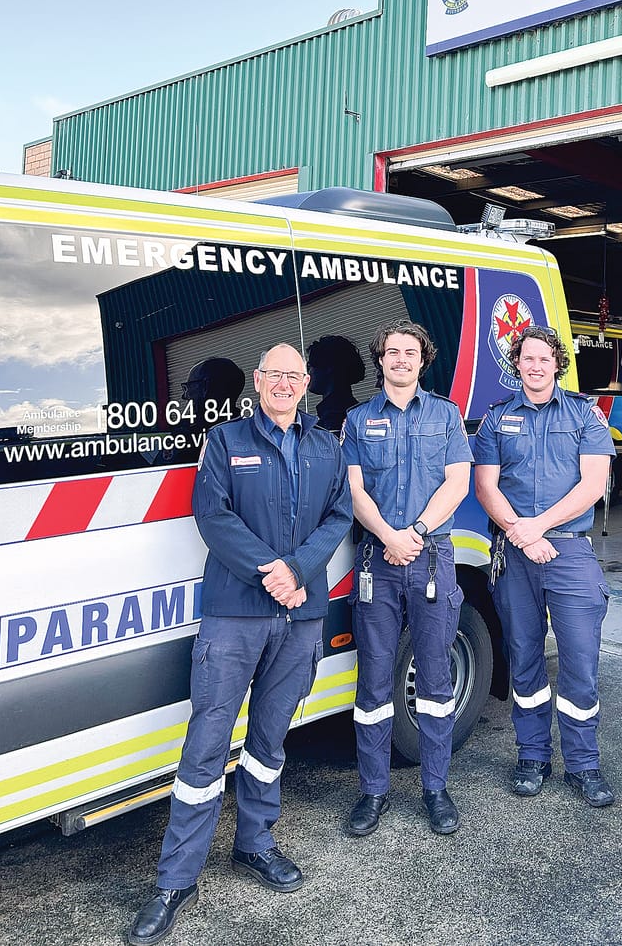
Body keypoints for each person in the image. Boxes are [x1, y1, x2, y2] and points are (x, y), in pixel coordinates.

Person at [127, 344, 352, 945]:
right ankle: (175, 880)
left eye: (293, 375)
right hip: (236, 611)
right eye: (272, 374)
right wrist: (269, 571)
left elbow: (338, 516)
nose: (283, 384)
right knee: (207, 741)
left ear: (306, 384)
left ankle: (256, 844)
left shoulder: (327, 445)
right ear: (257, 382)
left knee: (270, 738)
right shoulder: (226, 441)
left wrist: (297, 572)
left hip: (301, 612)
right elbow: (213, 514)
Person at [474, 326, 616, 808]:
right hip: (516, 553)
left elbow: (593, 483)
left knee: (579, 660)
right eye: (527, 358)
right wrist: (520, 533)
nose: (535, 366)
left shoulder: (584, 414)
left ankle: (583, 764)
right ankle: (532, 756)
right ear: (516, 364)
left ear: (558, 363)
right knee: (524, 657)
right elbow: (486, 488)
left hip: (569, 552)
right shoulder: (496, 420)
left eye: (544, 358)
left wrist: (538, 527)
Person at [340, 320, 472, 836]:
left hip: (431, 558)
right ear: (380, 360)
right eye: (391, 352)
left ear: (423, 359)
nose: (400, 359)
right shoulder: (356, 420)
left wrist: (413, 531)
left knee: (435, 677)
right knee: (373, 679)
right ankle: (373, 792)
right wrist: (389, 536)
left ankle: (436, 788)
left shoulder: (446, 415)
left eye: (409, 352)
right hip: (377, 561)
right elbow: (354, 490)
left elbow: (458, 482)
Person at [306, 334, 365, 433]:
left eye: (309, 366)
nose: (307, 373)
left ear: (328, 367)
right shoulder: (357, 413)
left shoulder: (334, 419)